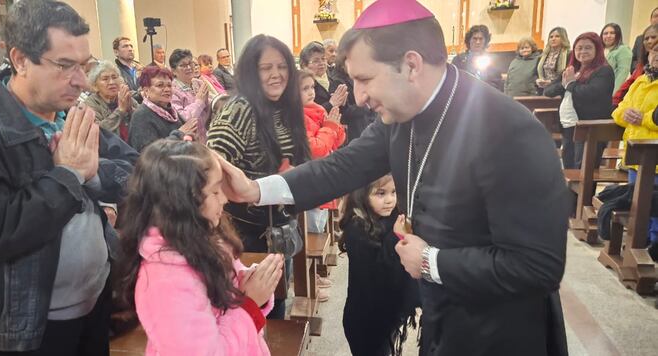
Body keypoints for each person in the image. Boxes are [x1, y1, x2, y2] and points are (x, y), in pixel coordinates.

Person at [217, 0, 569, 354]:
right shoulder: (402, 117)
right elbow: (339, 167)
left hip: (501, 330)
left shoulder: (509, 130)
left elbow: (538, 266)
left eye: (364, 79)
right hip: (440, 311)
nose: (359, 96)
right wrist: (253, 189)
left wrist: (431, 261)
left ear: (411, 65)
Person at [0, 1, 138, 354]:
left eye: (84, 65)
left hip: (92, 307)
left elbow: (133, 168)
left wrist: (90, 176)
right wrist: (68, 175)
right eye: (65, 65)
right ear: (20, 60)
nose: (80, 80)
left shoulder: (67, 114)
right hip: (25, 329)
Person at [115, 139, 283, 355]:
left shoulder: (203, 238)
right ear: (182, 202)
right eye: (214, 192)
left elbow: (228, 286)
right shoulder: (167, 279)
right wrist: (249, 305)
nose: (224, 198)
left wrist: (253, 280)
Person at [207, 34, 311, 320]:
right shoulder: (239, 109)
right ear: (251, 72)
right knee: (256, 314)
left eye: (282, 66)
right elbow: (210, 165)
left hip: (280, 230)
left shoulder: (285, 108)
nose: (276, 74)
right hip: (247, 238)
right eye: (266, 68)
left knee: (276, 305)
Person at [338, 175, 420, 356]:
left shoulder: (392, 219)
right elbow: (379, 274)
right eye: (380, 193)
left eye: (393, 192)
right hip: (364, 320)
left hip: (385, 316)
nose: (390, 200)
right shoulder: (357, 229)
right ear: (362, 195)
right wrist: (397, 237)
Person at [612, 42, 658, 261]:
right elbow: (620, 108)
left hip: (654, 157)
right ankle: (637, 246)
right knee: (637, 205)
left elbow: (653, 117)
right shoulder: (640, 81)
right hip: (635, 155)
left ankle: (652, 248)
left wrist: (645, 119)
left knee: (654, 207)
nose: (656, 56)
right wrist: (625, 114)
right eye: (655, 51)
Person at [544, 32, 614, 169]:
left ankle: (585, 192)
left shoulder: (604, 71)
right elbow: (548, 91)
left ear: (597, 49)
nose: (583, 51)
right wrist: (565, 83)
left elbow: (591, 93)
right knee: (569, 167)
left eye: (588, 48)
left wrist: (571, 84)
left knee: (584, 169)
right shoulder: (572, 70)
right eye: (579, 48)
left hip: (590, 128)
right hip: (569, 126)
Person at [299, 70, 345, 235]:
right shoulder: (298, 117)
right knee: (313, 230)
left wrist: (334, 127)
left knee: (320, 225)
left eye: (312, 87)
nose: (311, 91)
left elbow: (338, 141)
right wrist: (330, 127)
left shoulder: (318, 110)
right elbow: (316, 150)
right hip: (312, 180)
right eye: (304, 89)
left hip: (324, 175)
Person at [129, 66, 196, 151]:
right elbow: (149, 154)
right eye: (160, 85)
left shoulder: (171, 111)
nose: (167, 89)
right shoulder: (141, 115)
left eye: (169, 85)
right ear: (146, 90)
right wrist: (179, 134)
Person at [83, 60, 137, 140]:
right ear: (95, 86)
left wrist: (130, 109)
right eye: (105, 79)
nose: (111, 82)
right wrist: (120, 111)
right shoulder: (90, 104)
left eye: (114, 77)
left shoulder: (124, 97)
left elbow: (143, 121)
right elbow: (98, 131)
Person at [170, 49, 211, 142]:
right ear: (173, 71)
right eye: (183, 65)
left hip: (206, 135)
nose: (189, 67)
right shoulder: (172, 90)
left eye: (190, 63)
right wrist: (199, 102)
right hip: (189, 140)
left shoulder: (199, 83)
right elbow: (182, 118)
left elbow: (210, 109)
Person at [614, 24, 658, 107]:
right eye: (646, 38)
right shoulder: (641, 67)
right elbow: (625, 88)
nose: (649, 41)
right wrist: (616, 106)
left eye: (653, 37)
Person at [299, 41, 348, 113]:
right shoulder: (302, 86)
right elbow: (306, 113)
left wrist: (343, 104)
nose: (321, 63)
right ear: (304, 65)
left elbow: (343, 113)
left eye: (323, 59)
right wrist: (330, 104)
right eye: (316, 61)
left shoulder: (334, 81)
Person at [452, 25, 502, 90]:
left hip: (486, 96)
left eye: (481, 39)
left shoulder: (493, 61)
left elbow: (496, 83)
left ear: (485, 41)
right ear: (469, 40)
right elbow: (453, 82)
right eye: (475, 39)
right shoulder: (459, 60)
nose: (478, 42)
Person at [536, 27, 571, 92]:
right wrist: (539, 81)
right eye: (551, 37)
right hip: (543, 89)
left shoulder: (569, 54)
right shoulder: (543, 55)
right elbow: (536, 73)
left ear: (563, 38)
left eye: (557, 36)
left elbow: (568, 75)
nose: (553, 39)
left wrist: (551, 82)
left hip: (560, 89)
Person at [601, 23, 632, 95]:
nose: (608, 36)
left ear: (618, 35)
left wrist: (612, 95)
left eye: (612, 33)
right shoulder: (600, 50)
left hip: (611, 92)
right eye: (605, 33)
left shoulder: (623, 50)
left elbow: (622, 75)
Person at [631, 7, 658, 72]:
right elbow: (634, 60)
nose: (650, 41)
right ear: (651, 19)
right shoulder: (639, 39)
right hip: (640, 77)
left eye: (653, 37)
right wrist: (642, 70)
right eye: (656, 16)